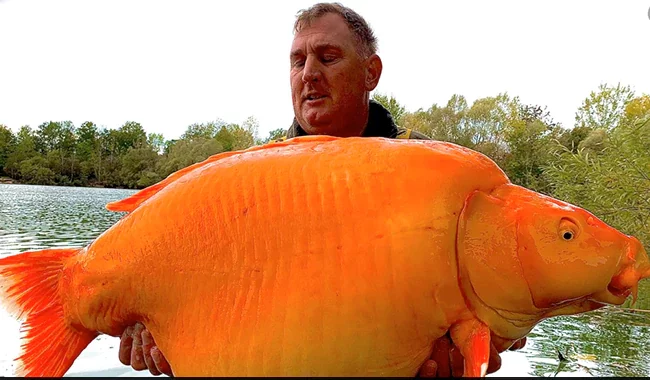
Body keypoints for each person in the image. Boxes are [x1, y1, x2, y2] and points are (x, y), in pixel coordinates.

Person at [118, 2, 527, 377]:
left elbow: (504, 301)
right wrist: (166, 334)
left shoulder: (438, 173)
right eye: (298, 62)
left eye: (328, 58)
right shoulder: (249, 180)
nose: (309, 73)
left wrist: (484, 338)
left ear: (371, 72)